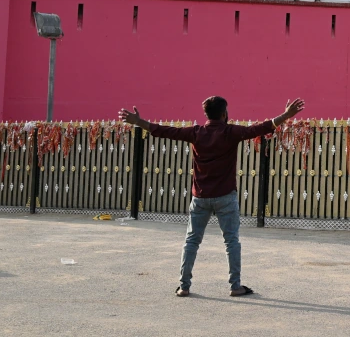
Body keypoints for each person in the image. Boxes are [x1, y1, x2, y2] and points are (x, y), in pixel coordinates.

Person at [119, 96, 305, 297]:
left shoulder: (196, 133)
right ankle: (235, 286)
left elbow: (164, 131)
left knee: (192, 241)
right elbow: (260, 128)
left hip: (200, 197)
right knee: (231, 241)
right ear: (224, 114)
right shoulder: (230, 132)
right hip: (226, 197)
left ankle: (184, 286)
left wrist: (138, 121)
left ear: (206, 114)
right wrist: (286, 115)